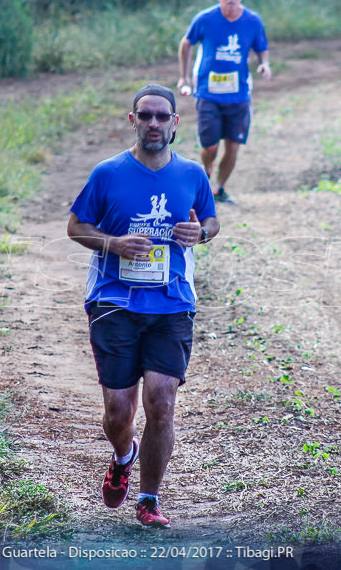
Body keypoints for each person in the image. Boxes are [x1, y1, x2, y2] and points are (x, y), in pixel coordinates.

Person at [67, 83, 220, 529]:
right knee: (119, 412)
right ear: (133, 121)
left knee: (161, 402)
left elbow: (210, 220)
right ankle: (123, 455)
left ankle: (149, 499)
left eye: (162, 117)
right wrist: (112, 243)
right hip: (114, 301)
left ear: (176, 123)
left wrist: (202, 234)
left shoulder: (191, 174)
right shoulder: (107, 173)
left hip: (171, 304)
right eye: (146, 116)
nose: (154, 123)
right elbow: (76, 226)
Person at [178, 0, 271, 205]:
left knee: (233, 145)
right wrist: (183, 77)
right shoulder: (205, 19)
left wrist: (264, 64)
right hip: (208, 93)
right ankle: (207, 168)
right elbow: (186, 43)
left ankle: (219, 189)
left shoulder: (252, 20)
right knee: (209, 146)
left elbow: (261, 46)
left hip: (239, 95)